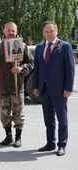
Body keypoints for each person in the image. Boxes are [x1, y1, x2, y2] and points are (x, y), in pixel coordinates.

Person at [33, 21, 75, 156]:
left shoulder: (65, 46)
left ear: (56, 32)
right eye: (46, 31)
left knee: (62, 119)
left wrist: (68, 88)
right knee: (48, 118)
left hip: (60, 89)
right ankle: (50, 143)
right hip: (44, 88)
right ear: (43, 33)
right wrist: (35, 86)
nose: (49, 33)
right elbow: (37, 69)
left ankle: (61, 145)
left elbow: (70, 69)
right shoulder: (39, 47)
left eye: (51, 31)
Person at [0, 22, 34, 147]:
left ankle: (18, 138)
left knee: (18, 113)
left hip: (17, 86)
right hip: (2, 86)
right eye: (8, 30)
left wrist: (22, 69)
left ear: (16, 31)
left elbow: (31, 62)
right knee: (4, 113)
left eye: (13, 30)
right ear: (4, 32)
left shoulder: (22, 46)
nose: (10, 33)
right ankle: (8, 136)